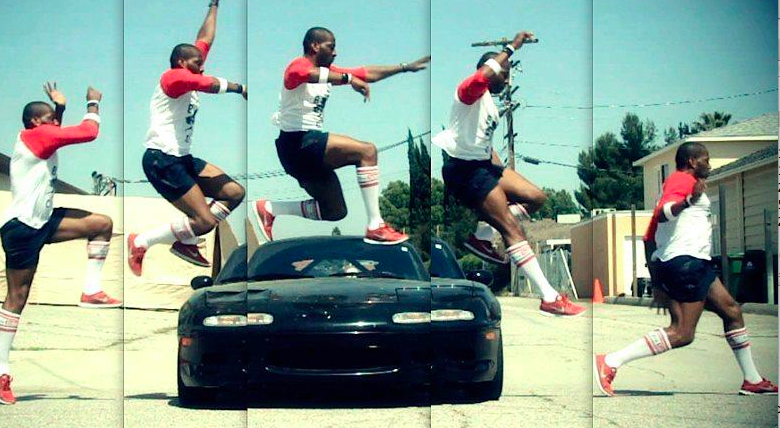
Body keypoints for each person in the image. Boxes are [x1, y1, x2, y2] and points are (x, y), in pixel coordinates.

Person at [594, 142, 778, 396]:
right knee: (682, 332)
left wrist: (657, 281)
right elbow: (663, 212)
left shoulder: (684, 183)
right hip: (686, 263)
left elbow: (649, 236)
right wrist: (689, 201)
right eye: (706, 160)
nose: (709, 165)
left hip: (692, 263)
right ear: (692, 161)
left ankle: (752, 379)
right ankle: (611, 361)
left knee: (732, 311)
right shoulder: (681, 180)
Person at [431, 31, 584, 317]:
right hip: (465, 171)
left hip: (485, 165)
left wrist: (500, 170)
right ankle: (549, 296)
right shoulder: (468, 94)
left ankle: (483, 233)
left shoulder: (490, 104)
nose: (507, 80)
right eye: (505, 74)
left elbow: (484, 144)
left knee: (536, 197)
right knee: (512, 230)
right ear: (491, 71)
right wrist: (512, 48)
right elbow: (480, 79)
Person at [0, 83, 120, 405]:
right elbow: (88, 133)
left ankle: (91, 290)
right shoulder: (35, 136)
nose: (55, 123)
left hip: (43, 221)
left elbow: (56, 129)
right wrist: (92, 103)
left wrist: (58, 107)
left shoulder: (41, 135)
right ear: (36, 122)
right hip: (22, 227)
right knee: (17, 297)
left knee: (101, 224)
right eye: (50, 119)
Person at [251, 26, 429, 245]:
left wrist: (404, 67)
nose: (335, 52)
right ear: (315, 46)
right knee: (367, 151)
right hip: (298, 143)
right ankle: (376, 226)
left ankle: (271, 208)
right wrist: (348, 79)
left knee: (334, 211)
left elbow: (366, 73)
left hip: (304, 154)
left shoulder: (329, 71)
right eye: (331, 47)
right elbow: (303, 74)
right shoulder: (298, 65)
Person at [127, 0, 246, 275]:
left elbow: (205, 39)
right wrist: (239, 88)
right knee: (204, 221)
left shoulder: (189, 69)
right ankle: (142, 241)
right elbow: (206, 83)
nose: (202, 68)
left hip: (182, 157)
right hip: (162, 159)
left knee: (234, 193)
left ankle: (187, 241)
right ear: (182, 63)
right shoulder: (172, 78)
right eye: (197, 64)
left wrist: (214, 6)